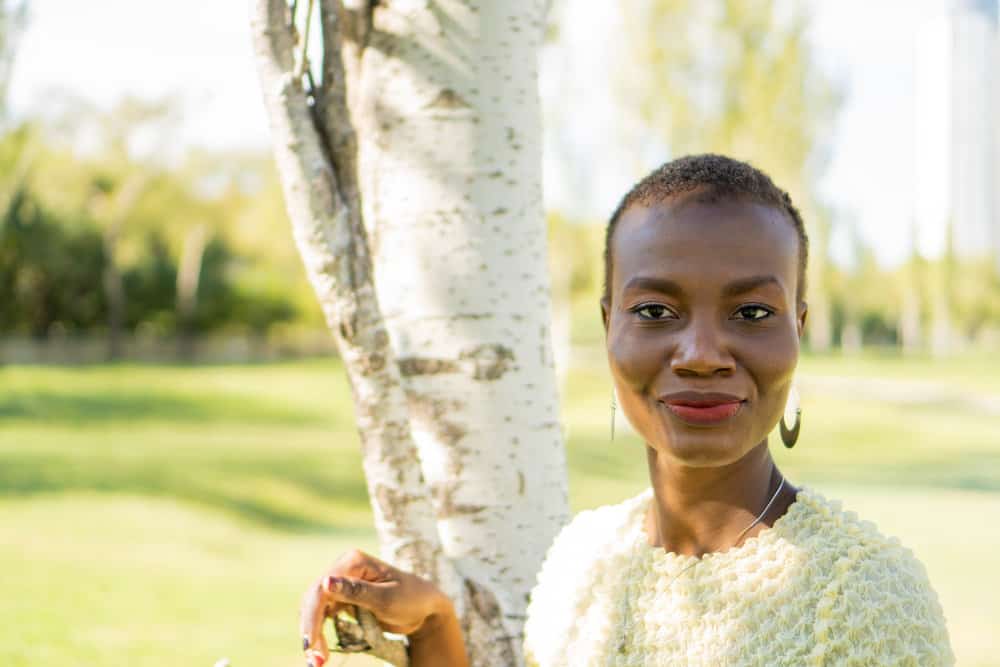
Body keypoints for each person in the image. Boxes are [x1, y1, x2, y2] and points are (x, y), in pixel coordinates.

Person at [299, 155, 954, 666]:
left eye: (751, 312)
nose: (701, 353)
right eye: (655, 311)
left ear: (798, 329)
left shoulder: (868, 599)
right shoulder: (580, 564)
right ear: (610, 325)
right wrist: (435, 621)